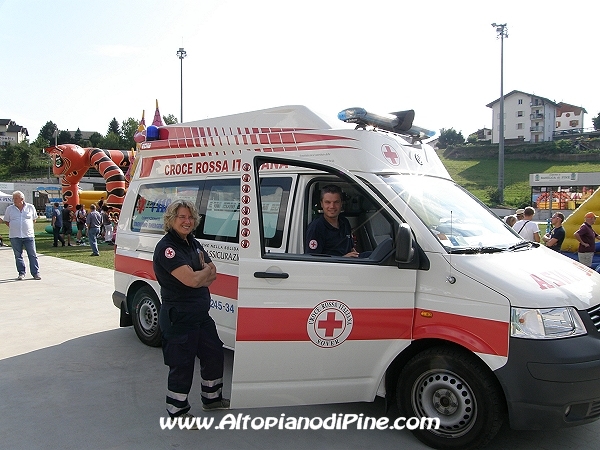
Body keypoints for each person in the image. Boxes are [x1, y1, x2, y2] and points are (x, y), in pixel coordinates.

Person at [152, 199, 229, 420]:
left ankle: (212, 400)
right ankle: (177, 410)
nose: (187, 221)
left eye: (190, 217)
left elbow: (213, 272)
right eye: (182, 217)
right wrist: (201, 274)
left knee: (214, 354)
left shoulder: (192, 243)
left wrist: (201, 275)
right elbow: (193, 280)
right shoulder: (168, 248)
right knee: (182, 365)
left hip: (201, 317)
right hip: (179, 318)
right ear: (171, 220)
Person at [305, 185, 359, 257]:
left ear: (341, 203)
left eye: (336, 202)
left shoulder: (345, 222)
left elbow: (351, 248)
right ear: (321, 204)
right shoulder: (316, 227)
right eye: (328, 202)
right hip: (333, 267)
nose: (332, 206)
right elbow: (313, 261)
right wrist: (343, 259)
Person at [0, 191, 41, 280]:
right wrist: (15, 227)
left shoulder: (30, 207)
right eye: (13, 198)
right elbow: (6, 221)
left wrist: (26, 227)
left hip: (28, 235)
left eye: (16, 198)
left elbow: (34, 219)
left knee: (32, 254)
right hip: (15, 236)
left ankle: (36, 273)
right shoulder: (10, 209)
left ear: (22, 199)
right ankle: (21, 273)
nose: (14, 200)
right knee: (18, 256)